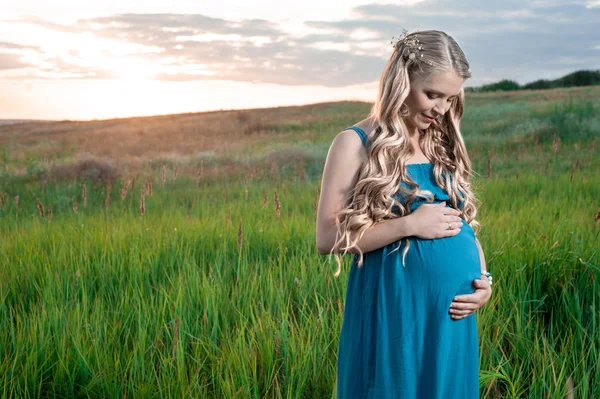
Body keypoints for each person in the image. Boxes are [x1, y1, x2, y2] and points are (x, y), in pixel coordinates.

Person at [315, 30, 493, 398]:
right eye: (432, 94)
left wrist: (483, 280)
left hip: (450, 319)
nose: (441, 109)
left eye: (449, 98)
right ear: (402, 80)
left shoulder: (439, 141)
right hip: (395, 312)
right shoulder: (354, 143)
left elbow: (462, 224)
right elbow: (327, 238)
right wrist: (408, 225)